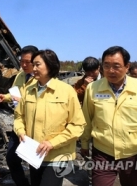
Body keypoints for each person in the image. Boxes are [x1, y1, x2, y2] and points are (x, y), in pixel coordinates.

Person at [80, 46, 137, 186]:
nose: (111, 71)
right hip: (103, 153)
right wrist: (85, 142)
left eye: (116, 66)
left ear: (127, 66)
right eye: (106, 66)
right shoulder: (93, 88)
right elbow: (87, 118)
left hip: (133, 154)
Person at [14, 49, 86, 186]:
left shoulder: (66, 91)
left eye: (37, 65)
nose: (33, 68)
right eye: (33, 65)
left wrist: (52, 143)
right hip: (34, 154)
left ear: (50, 65)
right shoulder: (28, 90)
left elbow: (78, 125)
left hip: (58, 156)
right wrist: (20, 131)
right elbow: (19, 115)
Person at [0, 45, 38, 186]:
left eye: (27, 62)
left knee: (33, 161)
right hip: (19, 123)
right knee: (12, 158)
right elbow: (15, 94)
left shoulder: (40, 79)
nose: (24, 65)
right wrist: (5, 97)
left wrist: (24, 101)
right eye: (21, 61)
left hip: (33, 125)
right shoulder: (20, 75)